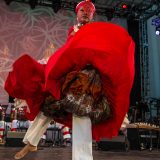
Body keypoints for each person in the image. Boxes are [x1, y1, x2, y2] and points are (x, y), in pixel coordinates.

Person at [4, 0, 135, 160]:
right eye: (82, 10)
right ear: (77, 13)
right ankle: (32, 140)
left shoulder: (96, 31)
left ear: (93, 15)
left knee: (83, 113)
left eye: (89, 11)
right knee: (50, 101)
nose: (85, 13)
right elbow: (68, 53)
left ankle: (82, 157)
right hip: (72, 75)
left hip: (89, 79)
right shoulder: (72, 30)